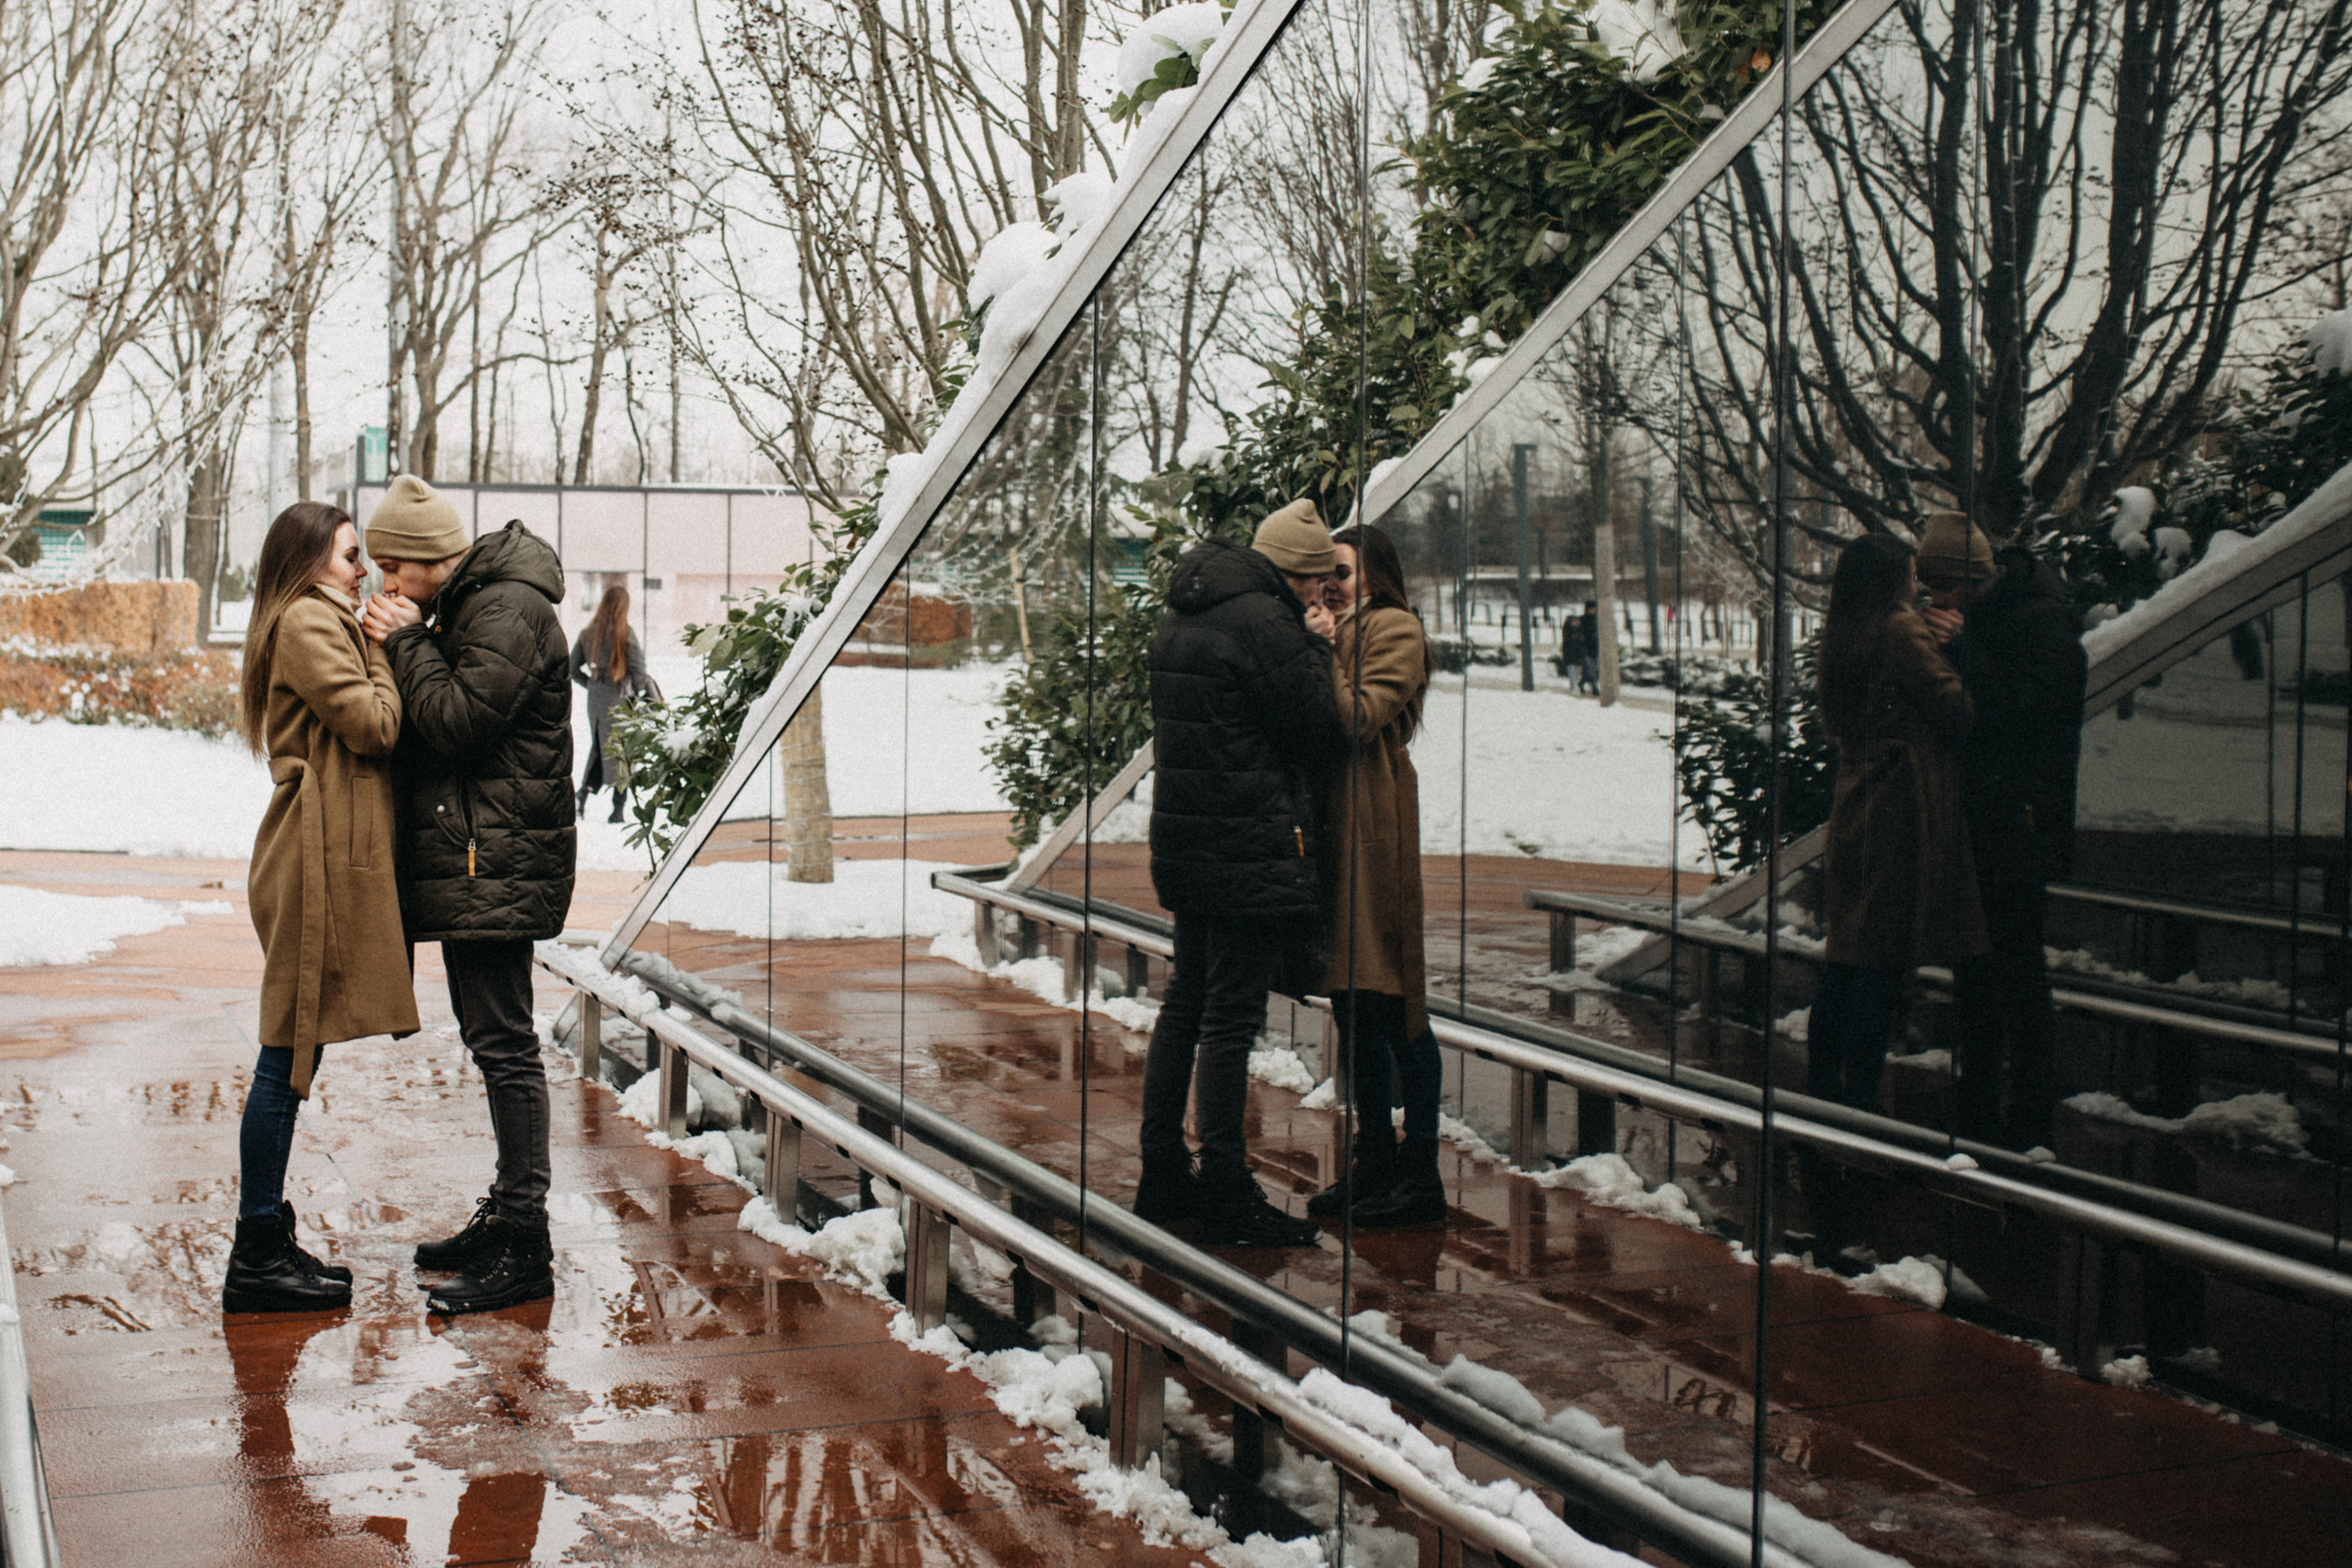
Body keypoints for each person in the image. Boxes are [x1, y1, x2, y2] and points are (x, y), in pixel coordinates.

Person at [360, 475, 576, 1315]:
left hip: (499, 859)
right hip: (480, 855)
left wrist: (408, 642)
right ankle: (510, 1212)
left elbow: (454, 719)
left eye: (390, 568)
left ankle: (525, 1242)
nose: (384, 585)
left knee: (507, 1044)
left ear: (425, 561)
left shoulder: (508, 608)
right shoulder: (474, 603)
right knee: (493, 1040)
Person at [1134, 498, 1349, 1248]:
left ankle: (1162, 1168)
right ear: (1295, 575)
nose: (1322, 598)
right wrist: (1319, 647)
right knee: (1229, 1017)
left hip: (1188, 842)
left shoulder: (1187, 611)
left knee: (1185, 1003)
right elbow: (1320, 727)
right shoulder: (1266, 623)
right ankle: (1225, 1184)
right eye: (1318, 586)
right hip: (1248, 848)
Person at [226, 502, 421, 1314]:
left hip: (315, 854)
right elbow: (375, 726)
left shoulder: (313, 617)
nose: (364, 571)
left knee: (292, 1051)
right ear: (309, 561)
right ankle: (256, 1251)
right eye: (350, 557)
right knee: (286, 1051)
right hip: (306, 859)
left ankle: (265, 1236)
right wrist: (381, 649)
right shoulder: (312, 623)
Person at [1918, 513, 2085, 1153]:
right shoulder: (2002, 614)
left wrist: (1963, 651)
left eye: (1944, 590)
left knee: (2016, 965)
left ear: (1970, 581)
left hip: (2020, 819)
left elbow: (2027, 712)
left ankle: (2029, 1105)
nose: (1939, 603)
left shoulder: (2041, 619)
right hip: (1989, 816)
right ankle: (1981, 1094)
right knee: (1979, 964)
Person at [1813, 532, 1985, 1118]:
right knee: (1881, 964)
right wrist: (1960, 649)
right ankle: (1858, 1101)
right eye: (1912, 577)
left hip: (1857, 801)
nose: (1919, 588)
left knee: (1846, 956)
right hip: (1900, 810)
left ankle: (1825, 1089)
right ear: (1892, 581)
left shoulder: (1843, 633)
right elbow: (1958, 711)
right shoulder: (1900, 628)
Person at [1308, 524, 1447, 1226]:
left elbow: (1356, 716)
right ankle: (1375, 1161)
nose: (1329, 581)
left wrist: (1327, 645)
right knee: (1352, 1006)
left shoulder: (1394, 628)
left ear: (1376, 575)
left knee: (1395, 1004)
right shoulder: (1338, 628)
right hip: (1339, 835)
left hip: (1375, 832)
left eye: (1342, 569)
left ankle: (1420, 1170)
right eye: (1323, 570)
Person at [571, 581, 650, 823]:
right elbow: (638, 671)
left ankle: (582, 795)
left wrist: (593, 685)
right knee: (621, 753)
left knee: (598, 748)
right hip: (619, 699)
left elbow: (573, 669)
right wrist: (641, 696)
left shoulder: (587, 633)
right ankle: (618, 810)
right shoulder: (626, 633)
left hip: (595, 700)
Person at [1575, 600, 1601, 694]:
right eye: (1592, 609)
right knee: (1590, 669)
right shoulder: (1583, 620)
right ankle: (1595, 688)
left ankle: (1581, 683)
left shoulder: (1597, 619)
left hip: (1595, 647)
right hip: (1585, 648)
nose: (1594, 610)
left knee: (1592, 669)